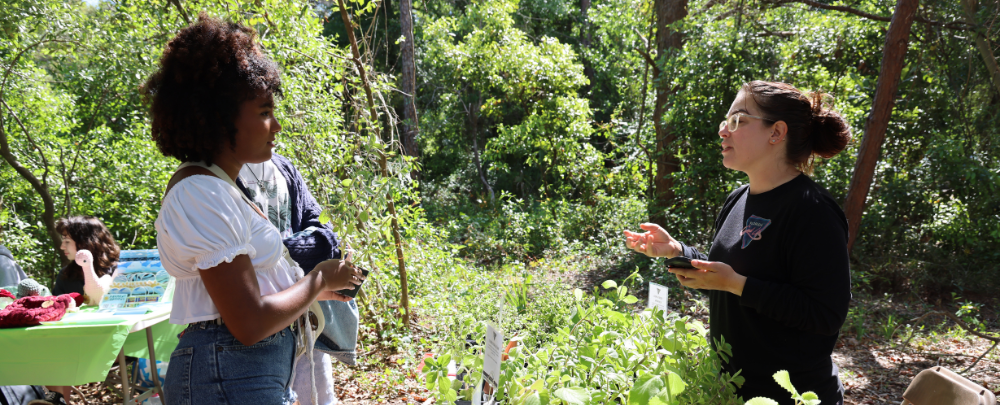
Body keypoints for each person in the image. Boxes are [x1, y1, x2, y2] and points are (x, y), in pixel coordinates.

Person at [144, 15, 365, 405]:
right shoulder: (200, 193)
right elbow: (247, 323)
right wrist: (317, 279)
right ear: (219, 118)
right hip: (228, 377)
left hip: (241, 374)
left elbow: (244, 297)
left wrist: (325, 287)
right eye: (264, 112)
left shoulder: (218, 187)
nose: (276, 126)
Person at [624, 81, 852, 405]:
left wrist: (739, 285)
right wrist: (679, 252)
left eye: (738, 121)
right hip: (731, 392)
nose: (723, 132)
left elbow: (825, 315)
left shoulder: (812, 210)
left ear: (776, 133)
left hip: (792, 397)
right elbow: (727, 277)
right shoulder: (738, 199)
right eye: (725, 122)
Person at [236, 154, 358, 405]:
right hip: (259, 325)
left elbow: (326, 233)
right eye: (263, 113)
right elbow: (240, 259)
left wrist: (277, 254)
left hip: (304, 317)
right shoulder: (221, 173)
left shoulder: (282, 166)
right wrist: (306, 264)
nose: (275, 126)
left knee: (319, 397)